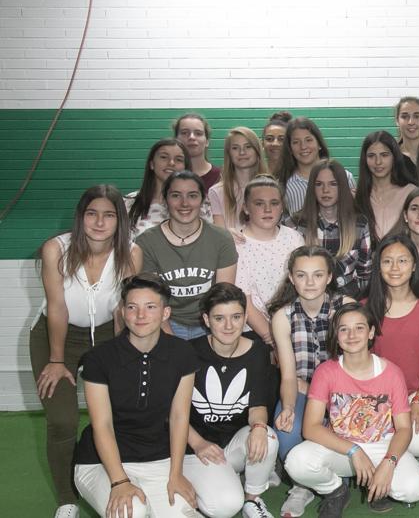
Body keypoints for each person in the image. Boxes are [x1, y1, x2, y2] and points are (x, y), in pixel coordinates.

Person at [33, 185, 140, 516]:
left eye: (108, 215)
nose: (99, 222)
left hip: (109, 335)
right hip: (56, 336)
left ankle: (114, 477)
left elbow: (124, 311)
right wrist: (55, 359)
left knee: (116, 414)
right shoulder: (56, 249)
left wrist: (123, 359)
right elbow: (57, 307)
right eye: (92, 214)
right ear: (81, 217)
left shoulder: (131, 254)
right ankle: (67, 499)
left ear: (119, 221)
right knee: (63, 421)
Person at [72, 275, 200, 518]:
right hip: (102, 462)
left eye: (150, 307)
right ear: (122, 312)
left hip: (157, 459)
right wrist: (119, 482)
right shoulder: (99, 358)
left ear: (165, 313)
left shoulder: (182, 353)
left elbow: (179, 416)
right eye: (132, 307)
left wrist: (176, 474)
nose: (140, 316)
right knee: (133, 512)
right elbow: (102, 425)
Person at [284, 303, 419, 516]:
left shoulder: (391, 372)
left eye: (359, 328)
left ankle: (375, 483)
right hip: (342, 448)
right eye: (344, 329)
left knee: (414, 489)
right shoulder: (326, 371)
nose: (351, 335)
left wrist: (389, 463)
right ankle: (335, 490)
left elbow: (404, 428)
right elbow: (311, 428)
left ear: (371, 332)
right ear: (336, 335)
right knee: (296, 462)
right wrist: (354, 450)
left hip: (382, 445)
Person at [267, 246, 355, 517]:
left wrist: (329, 397)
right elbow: (288, 375)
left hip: (345, 389)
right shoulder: (283, 316)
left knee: (344, 432)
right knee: (287, 430)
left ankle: (339, 479)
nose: (309, 283)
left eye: (317, 275)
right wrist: (290, 407)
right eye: (302, 275)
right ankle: (304, 484)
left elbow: (357, 366)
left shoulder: (346, 307)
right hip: (302, 388)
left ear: (329, 277)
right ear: (291, 278)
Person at [182, 283, 279, 518]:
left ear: (246, 317)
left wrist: (257, 427)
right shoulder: (187, 352)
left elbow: (257, 405)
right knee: (224, 507)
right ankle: (209, 483)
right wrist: (197, 443)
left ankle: (252, 500)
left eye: (236, 317)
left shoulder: (256, 352)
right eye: (219, 318)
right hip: (194, 450)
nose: (228, 326)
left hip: (232, 446)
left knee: (266, 435)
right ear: (206, 319)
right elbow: (171, 413)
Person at [363, 233, 419, 484]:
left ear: (414, 265)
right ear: (378, 266)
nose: (395, 268)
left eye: (402, 261)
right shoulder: (365, 307)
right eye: (387, 261)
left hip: (415, 393)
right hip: (376, 395)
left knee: (418, 444)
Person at [133, 170, 238, 339]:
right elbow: (153, 302)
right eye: (176, 195)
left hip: (209, 322)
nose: (184, 203)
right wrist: (174, 344)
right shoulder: (147, 242)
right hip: (166, 321)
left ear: (202, 200)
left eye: (192, 195)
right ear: (166, 199)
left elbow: (222, 298)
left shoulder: (221, 239)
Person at [234, 175, 303, 346]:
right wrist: (273, 339)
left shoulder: (294, 238)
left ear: (282, 207)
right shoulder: (237, 245)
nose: (267, 209)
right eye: (259, 203)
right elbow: (245, 302)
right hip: (255, 331)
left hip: (294, 326)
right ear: (246, 208)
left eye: (274, 203)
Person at [291, 158, 372, 300]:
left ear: (343, 187)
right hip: (307, 306)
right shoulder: (295, 224)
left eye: (333, 184)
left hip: (349, 306)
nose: (325, 190)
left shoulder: (359, 223)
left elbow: (365, 275)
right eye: (319, 184)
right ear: (312, 188)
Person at [126, 138, 209, 237]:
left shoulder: (202, 203)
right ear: (152, 164)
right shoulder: (129, 203)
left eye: (178, 159)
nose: (171, 163)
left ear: (185, 167)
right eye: (164, 157)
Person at [277, 117, 353, 216]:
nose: (303, 147)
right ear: (290, 149)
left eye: (308, 140)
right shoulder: (284, 185)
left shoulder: (345, 177)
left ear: (319, 144)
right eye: (296, 142)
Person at [356, 130, 419, 241]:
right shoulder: (358, 197)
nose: (378, 162)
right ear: (364, 159)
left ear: (394, 157)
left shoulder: (411, 193)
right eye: (371, 156)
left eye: (384, 155)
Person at [207, 127, 267, 231]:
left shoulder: (271, 188)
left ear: (257, 151)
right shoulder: (216, 192)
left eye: (248, 147)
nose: (242, 152)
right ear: (229, 154)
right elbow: (221, 236)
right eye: (235, 148)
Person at [173, 112, 221, 189]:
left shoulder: (221, 177)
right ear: (176, 140)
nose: (192, 137)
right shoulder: (169, 175)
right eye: (184, 133)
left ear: (207, 141)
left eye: (198, 133)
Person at [394, 96, 419, 168]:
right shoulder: (391, 156)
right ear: (397, 121)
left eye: (417, 116)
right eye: (404, 117)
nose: (411, 122)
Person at [261, 111, 292, 176]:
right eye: (269, 139)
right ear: (262, 143)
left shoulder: (298, 176)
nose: (275, 144)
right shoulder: (255, 175)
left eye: (281, 139)